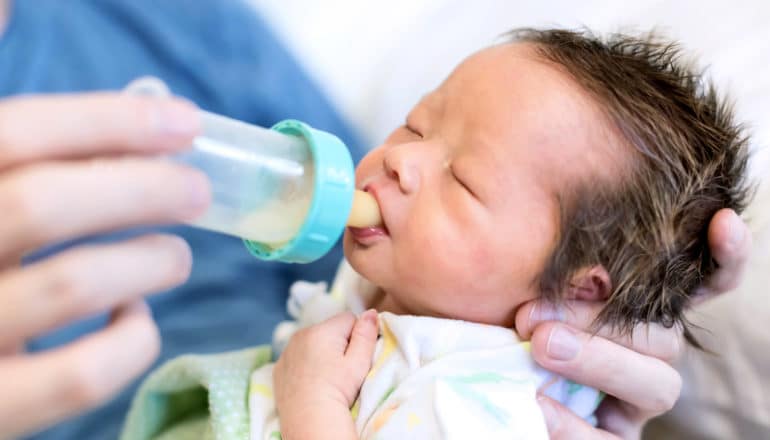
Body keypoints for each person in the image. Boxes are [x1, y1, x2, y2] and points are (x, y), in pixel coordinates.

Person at [0, 2, 752, 439]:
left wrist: (312, 405)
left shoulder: (479, 398)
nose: (396, 159)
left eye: (462, 178)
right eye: (416, 126)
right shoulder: (405, 288)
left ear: (582, 291)